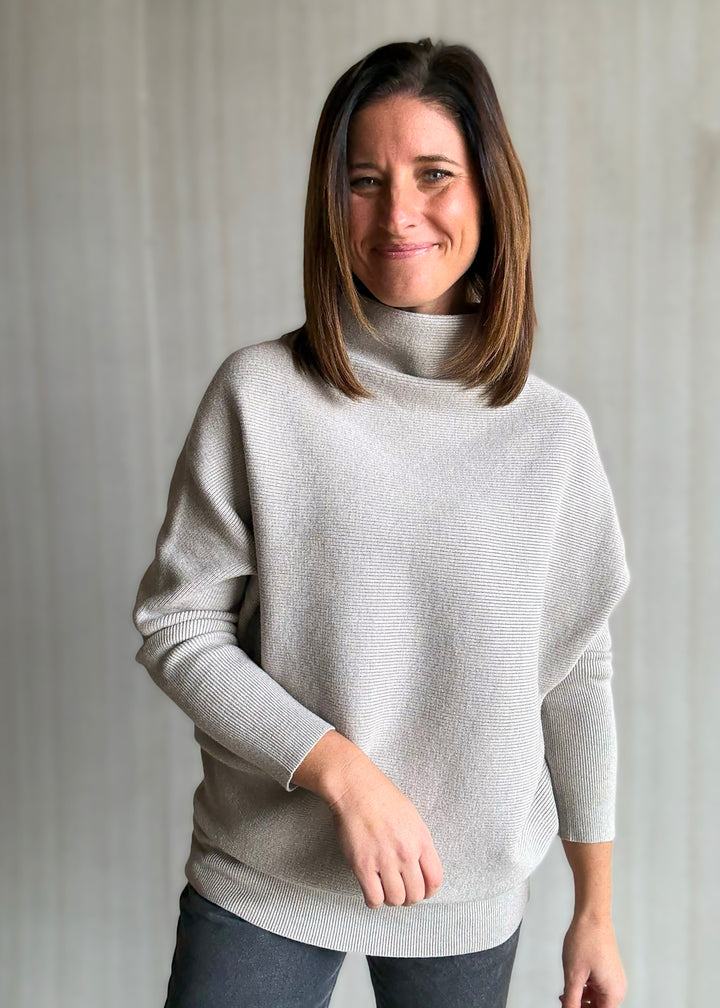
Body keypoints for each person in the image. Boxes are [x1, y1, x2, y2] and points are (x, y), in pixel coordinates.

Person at [132, 37, 631, 1008]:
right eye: (365, 180)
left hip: (468, 883)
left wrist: (596, 908)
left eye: (434, 175)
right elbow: (175, 625)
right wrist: (343, 775)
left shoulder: (550, 434)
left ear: (489, 195)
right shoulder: (262, 396)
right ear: (333, 205)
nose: (398, 213)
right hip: (267, 873)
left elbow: (575, 670)